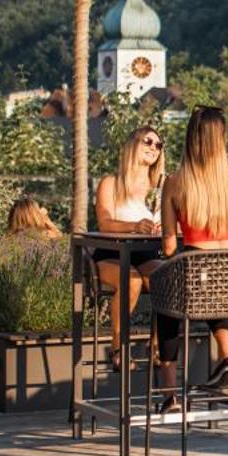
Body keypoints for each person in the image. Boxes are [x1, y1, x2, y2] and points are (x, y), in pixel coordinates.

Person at [154, 106, 228, 405]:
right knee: (209, 280)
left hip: (196, 280)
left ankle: (169, 395)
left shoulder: (175, 183)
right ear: (222, 138)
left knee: (166, 298)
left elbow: (170, 246)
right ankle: (226, 356)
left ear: (191, 139)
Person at [93, 127, 166, 365]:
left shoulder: (159, 188)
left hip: (146, 253)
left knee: (166, 278)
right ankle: (118, 347)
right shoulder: (111, 183)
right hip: (111, 253)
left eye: (158, 144)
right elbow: (104, 223)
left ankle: (156, 344)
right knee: (131, 279)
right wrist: (135, 226)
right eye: (148, 141)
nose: (154, 147)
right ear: (133, 143)